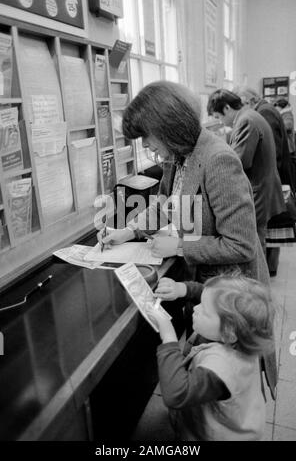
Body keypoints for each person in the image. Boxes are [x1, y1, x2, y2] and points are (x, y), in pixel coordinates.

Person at [97, 81, 276, 397]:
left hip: (231, 292)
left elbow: (242, 244)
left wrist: (179, 245)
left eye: (151, 142)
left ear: (169, 128)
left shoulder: (218, 160)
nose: (151, 150)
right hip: (206, 284)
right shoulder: (179, 156)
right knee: (205, 365)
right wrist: (129, 230)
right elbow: (166, 204)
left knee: (224, 383)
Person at [148, 275, 275, 441]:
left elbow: (175, 394)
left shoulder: (221, 369)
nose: (195, 309)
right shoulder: (241, 335)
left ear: (228, 332)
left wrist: (169, 337)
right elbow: (207, 294)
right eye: (200, 302)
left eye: (205, 312)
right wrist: (182, 288)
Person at [207, 89, 285, 254]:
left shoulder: (246, 121)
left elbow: (237, 162)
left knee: (253, 241)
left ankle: (257, 279)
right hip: (264, 187)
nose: (221, 122)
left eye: (218, 117)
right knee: (258, 239)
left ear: (227, 108)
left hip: (258, 191)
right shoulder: (250, 115)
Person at [233, 87, 294, 276]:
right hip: (272, 177)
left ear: (248, 101)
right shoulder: (263, 111)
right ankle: (267, 270)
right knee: (266, 232)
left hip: (268, 180)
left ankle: (266, 272)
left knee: (263, 233)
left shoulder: (261, 113)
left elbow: (267, 149)